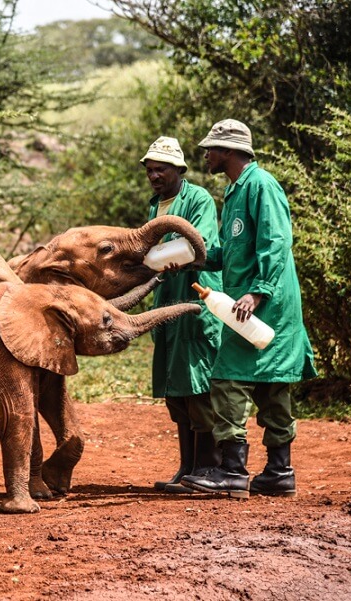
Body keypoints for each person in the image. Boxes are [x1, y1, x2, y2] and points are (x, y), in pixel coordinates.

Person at [182, 119, 317, 499]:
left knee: (227, 378)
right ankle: (279, 471)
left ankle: (233, 470)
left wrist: (258, 293)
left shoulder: (261, 185)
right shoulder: (235, 192)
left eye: (211, 148)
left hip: (266, 305)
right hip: (254, 302)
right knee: (273, 386)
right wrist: (194, 258)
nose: (206, 154)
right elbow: (235, 254)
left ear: (229, 151)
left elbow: (277, 242)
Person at [140, 137, 223, 494]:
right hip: (167, 302)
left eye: (161, 169)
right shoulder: (154, 206)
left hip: (195, 300)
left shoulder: (198, 199)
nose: (155, 175)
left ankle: (209, 467)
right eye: (150, 170)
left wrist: (160, 257)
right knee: (175, 387)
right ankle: (187, 467)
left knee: (197, 385)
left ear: (179, 170)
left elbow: (197, 245)